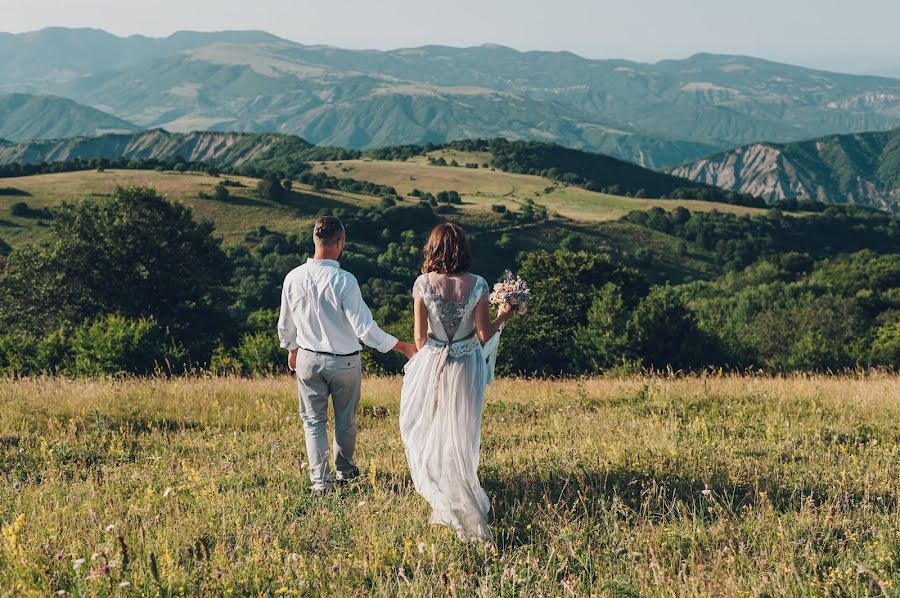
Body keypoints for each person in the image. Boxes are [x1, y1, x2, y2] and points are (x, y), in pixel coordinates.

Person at [399, 223, 521, 542]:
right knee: (464, 430)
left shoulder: (422, 284)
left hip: (434, 363)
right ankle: (464, 488)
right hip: (467, 364)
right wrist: (504, 315)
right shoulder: (478, 284)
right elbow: (483, 334)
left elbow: (418, 338)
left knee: (433, 427)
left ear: (433, 248)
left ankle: (445, 496)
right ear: (462, 249)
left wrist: (438, 345)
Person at [278, 215, 416, 494]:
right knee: (345, 420)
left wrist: (291, 348)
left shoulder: (293, 277)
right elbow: (365, 330)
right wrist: (402, 347)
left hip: (307, 358)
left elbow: (285, 323)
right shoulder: (344, 280)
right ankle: (346, 471)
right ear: (340, 242)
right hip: (345, 362)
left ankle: (320, 483)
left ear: (315, 240)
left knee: (313, 422)